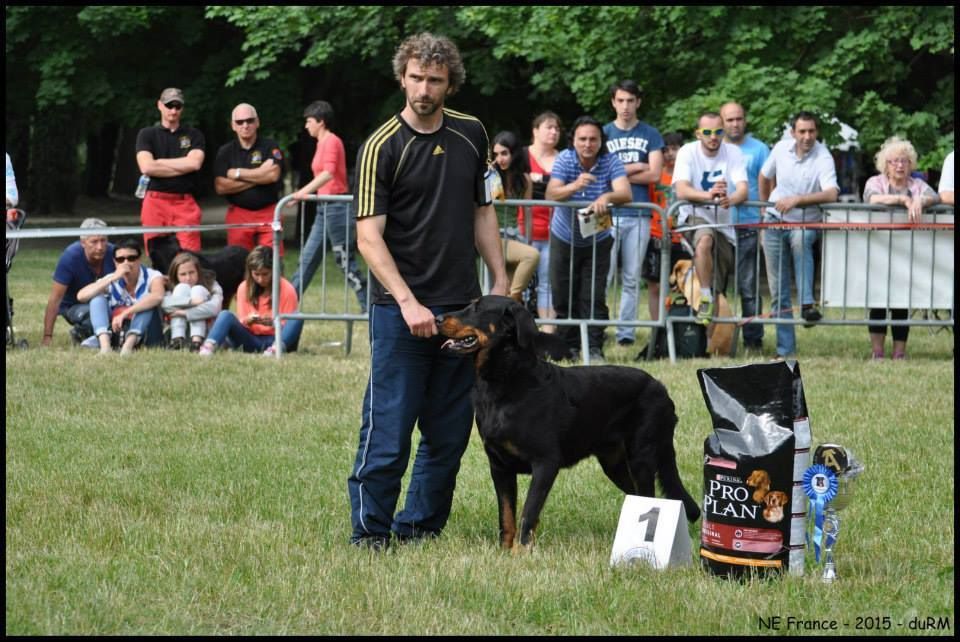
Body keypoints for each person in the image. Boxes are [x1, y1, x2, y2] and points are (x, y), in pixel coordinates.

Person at [347, 32, 509, 550]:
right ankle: (370, 534)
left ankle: (418, 529)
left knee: (448, 433)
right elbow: (368, 237)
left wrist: (500, 284)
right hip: (400, 313)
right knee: (389, 431)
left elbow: (483, 212)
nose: (423, 88)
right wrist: (407, 301)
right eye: (416, 78)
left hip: (462, 309)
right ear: (402, 78)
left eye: (434, 80)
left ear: (449, 85)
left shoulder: (472, 133)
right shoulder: (379, 147)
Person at [546, 115, 632, 362]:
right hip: (564, 236)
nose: (587, 144)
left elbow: (624, 192)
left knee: (593, 295)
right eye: (582, 139)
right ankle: (568, 348)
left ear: (600, 141)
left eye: (593, 139)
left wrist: (607, 197)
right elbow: (552, 193)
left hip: (598, 238)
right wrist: (574, 186)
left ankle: (594, 348)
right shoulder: (564, 158)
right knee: (563, 295)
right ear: (573, 140)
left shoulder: (610, 160)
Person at [758, 111, 839, 359]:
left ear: (817, 132)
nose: (807, 136)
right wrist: (764, 207)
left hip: (804, 222)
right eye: (802, 131)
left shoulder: (823, 156)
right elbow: (764, 176)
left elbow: (831, 193)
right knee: (778, 289)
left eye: (811, 131)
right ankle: (785, 350)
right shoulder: (781, 149)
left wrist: (798, 200)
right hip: (774, 221)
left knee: (801, 239)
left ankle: (806, 304)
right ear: (793, 133)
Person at [862, 136, 940, 360]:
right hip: (878, 249)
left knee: (901, 300)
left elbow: (934, 196)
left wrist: (920, 201)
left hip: (908, 252)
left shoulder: (916, 185)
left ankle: (899, 352)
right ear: (885, 164)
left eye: (904, 161)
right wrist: (903, 201)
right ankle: (877, 351)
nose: (899, 165)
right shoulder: (874, 182)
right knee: (878, 298)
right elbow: (871, 198)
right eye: (894, 161)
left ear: (911, 164)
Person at [286, 100, 367, 310]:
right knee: (307, 259)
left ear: (320, 122)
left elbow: (329, 173)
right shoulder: (321, 143)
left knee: (345, 263)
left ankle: (369, 306)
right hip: (324, 209)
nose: (306, 126)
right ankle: (286, 307)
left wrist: (302, 192)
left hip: (337, 208)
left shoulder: (332, 141)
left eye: (309, 121)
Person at [603, 80, 664, 346]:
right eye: (621, 100)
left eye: (630, 100)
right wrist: (634, 166)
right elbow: (601, 175)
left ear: (638, 102)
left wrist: (618, 171)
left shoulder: (650, 134)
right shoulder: (603, 133)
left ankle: (625, 333)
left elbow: (655, 173)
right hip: (608, 213)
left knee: (631, 277)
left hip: (639, 214)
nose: (625, 106)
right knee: (602, 275)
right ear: (613, 102)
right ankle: (598, 328)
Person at [673, 111, 748, 324]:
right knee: (705, 240)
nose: (713, 137)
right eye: (707, 132)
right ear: (698, 134)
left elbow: (743, 189)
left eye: (718, 132)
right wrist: (710, 195)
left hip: (723, 225)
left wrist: (730, 199)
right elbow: (682, 191)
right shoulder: (687, 152)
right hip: (694, 218)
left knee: (719, 284)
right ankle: (704, 296)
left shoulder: (733, 152)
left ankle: (709, 342)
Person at [721, 101, 770, 351]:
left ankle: (753, 340)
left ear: (745, 120)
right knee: (716, 286)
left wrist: (764, 218)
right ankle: (714, 339)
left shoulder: (760, 149)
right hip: (718, 225)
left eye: (738, 119)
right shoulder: (714, 147)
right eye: (729, 120)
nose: (735, 124)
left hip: (748, 223)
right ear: (722, 122)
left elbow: (769, 183)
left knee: (748, 286)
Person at [197, 245, 303, 356]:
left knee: (297, 316)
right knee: (225, 315)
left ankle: (276, 350)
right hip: (250, 339)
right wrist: (249, 320)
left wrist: (273, 323)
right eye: (256, 274)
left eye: (265, 274)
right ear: (250, 272)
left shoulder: (287, 289)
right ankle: (209, 346)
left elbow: (289, 327)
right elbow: (242, 320)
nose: (261, 279)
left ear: (274, 270)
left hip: (277, 338)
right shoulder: (244, 287)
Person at [135, 88, 206, 253]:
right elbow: (146, 167)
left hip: (184, 201)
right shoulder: (147, 134)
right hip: (155, 201)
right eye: (169, 105)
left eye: (178, 106)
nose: (173, 110)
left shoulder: (194, 135)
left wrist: (159, 163)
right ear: (159, 105)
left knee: (190, 255)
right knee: (157, 254)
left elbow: (195, 164)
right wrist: (183, 165)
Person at [214, 103, 285, 254]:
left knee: (271, 261)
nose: (245, 125)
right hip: (238, 214)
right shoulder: (225, 151)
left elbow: (273, 175)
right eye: (240, 122)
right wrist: (260, 174)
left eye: (249, 120)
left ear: (257, 122)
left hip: (268, 212)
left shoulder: (270, 146)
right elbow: (221, 186)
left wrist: (238, 174)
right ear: (233, 125)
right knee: (237, 262)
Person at [77, 237, 165, 355]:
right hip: (118, 332)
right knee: (97, 300)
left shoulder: (152, 276)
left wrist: (126, 312)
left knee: (147, 302)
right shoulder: (113, 278)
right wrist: (113, 278)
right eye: (120, 259)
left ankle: (128, 347)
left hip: (148, 333)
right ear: (115, 262)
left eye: (131, 258)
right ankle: (105, 347)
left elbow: (157, 296)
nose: (126, 263)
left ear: (140, 259)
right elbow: (81, 296)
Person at [41, 218, 116, 346]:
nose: (100, 247)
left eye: (103, 240)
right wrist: (47, 336)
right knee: (94, 315)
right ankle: (79, 333)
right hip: (73, 306)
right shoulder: (70, 258)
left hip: (107, 303)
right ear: (83, 243)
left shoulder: (115, 253)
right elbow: (55, 299)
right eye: (94, 242)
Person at [522, 111, 562, 331]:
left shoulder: (563, 157)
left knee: (548, 283)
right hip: (524, 228)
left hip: (553, 231)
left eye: (557, 128)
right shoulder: (522, 156)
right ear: (535, 130)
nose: (554, 132)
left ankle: (548, 331)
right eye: (549, 127)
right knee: (523, 284)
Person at [492, 131, 540, 304]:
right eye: (496, 154)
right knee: (532, 255)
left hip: (513, 236)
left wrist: (528, 240)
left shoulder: (525, 179)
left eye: (504, 153)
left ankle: (510, 302)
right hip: (492, 237)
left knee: (502, 291)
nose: (499, 159)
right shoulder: (490, 175)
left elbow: (527, 213)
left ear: (515, 153)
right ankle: (513, 298)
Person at [642, 132, 686, 320]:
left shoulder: (685, 175)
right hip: (656, 233)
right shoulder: (655, 177)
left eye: (674, 149)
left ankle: (683, 324)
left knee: (685, 283)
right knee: (656, 284)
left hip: (681, 235)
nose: (669, 154)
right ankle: (657, 326)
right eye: (665, 150)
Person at [162, 252, 223, 351]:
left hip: (206, 333)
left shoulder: (212, 284)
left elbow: (215, 308)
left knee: (197, 289)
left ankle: (197, 342)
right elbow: (163, 304)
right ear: (176, 275)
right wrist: (191, 302)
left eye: (191, 272)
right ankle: (177, 340)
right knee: (181, 288)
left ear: (198, 271)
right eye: (183, 274)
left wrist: (185, 313)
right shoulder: (169, 287)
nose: (188, 278)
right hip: (177, 330)